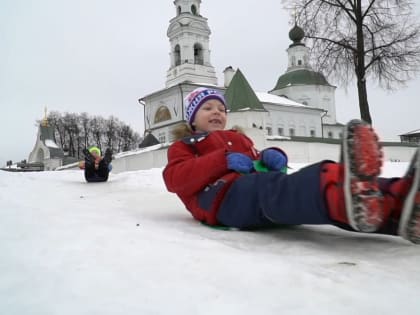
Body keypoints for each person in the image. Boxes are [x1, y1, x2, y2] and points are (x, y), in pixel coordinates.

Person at [162, 87, 420, 244]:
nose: (217, 112)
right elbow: (175, 178)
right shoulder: (186, 145)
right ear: (192, 119)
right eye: (207, 108)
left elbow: (258, 160)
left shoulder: (239, 138)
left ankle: (399, 203)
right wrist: (221, 160)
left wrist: (272, 157)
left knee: (302, 182)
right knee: (285, 189)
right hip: (223, 201)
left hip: (257, 193)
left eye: (221, 108)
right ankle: (349, 198)